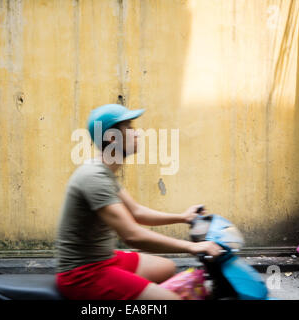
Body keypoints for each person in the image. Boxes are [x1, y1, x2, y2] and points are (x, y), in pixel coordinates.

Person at [55, 104, 222, 300]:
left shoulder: (104, 172)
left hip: (105, 259)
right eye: (130, 128)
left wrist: (183, 217)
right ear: (111, 137)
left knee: (167, 268)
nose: (137, 134)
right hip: (82, 274)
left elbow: (136, 212)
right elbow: (132, 235)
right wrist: (192, 247)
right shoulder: (94, 177)